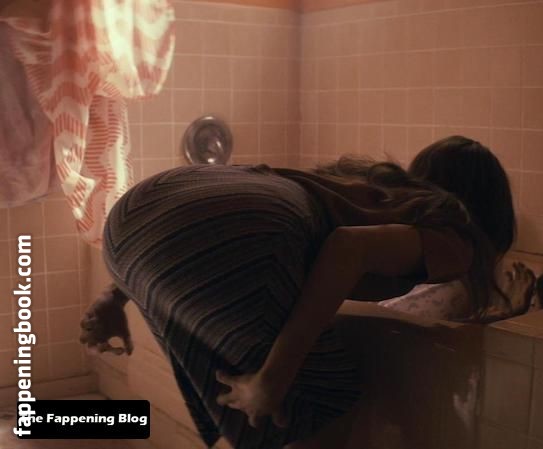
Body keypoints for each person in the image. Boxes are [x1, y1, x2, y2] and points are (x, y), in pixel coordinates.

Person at [79, 135, 517, 449]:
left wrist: (114, 295)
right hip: (237, 245)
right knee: (322, 399)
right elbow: (348, 247)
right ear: (494, 212)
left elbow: (213, 214)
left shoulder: (368, 185)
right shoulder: (457, 237)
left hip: (135, 213)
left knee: (254, 413)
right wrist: (274, 378)